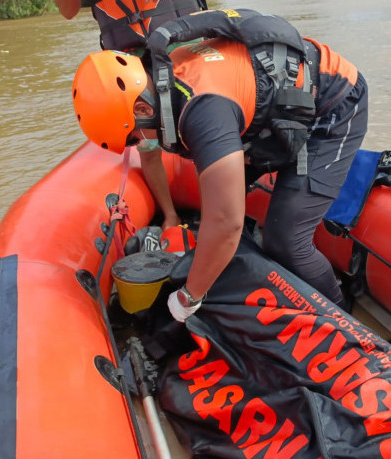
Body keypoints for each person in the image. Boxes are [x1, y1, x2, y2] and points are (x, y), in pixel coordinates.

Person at [71, 8, 368, 322]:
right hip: (275, 100)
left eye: (133, 138)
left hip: (333, 103)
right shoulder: (164, 75)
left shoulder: (201, 109)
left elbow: (227, 223)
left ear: (143, 107)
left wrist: (189, 298)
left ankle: (342, 313)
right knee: (222, 214)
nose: (139, 145)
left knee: (286, 241)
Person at [56, 0, 208, 230]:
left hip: (181, 39)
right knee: (147, 146)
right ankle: (170, 216)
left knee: (202, 132)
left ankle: (212, 214)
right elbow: (68, 11)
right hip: (130, 56)